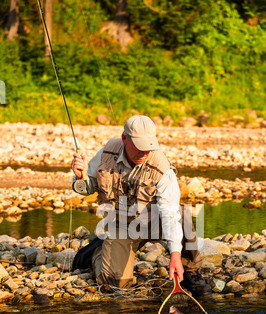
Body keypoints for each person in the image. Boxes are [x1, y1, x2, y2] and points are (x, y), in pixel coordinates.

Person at [71, 115, 207, 293]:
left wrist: (175, 254)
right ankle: (97, 252)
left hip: (152, 222)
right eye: (140, 147)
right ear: (124, 138)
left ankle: (190, 271)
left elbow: (170, 214)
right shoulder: (106, 154)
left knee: (182, 215)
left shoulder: (161, 166)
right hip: (119, 225)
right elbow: (87, 189)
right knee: (115, 284)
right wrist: (80, 177)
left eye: (148, 147)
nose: (144, 152)